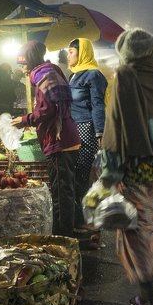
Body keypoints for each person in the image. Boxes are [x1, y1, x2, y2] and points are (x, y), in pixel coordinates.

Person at [97, 28, 153, 305]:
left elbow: (114, 128)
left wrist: (109, 172)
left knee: (133, 230)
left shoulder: (126, 78)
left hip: (137, 166)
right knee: (150, 223)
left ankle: (147, 296)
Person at [15, 40, 81, 237]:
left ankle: (64, 236)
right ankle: (70, 229)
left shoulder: (42, 75)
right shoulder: (50, 71)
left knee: (61, 191)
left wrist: (25, 119)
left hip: (59, 141)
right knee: (66, 188)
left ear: (32, 59)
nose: (23, 69)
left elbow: (46, 109)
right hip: (66, 137)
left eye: (24, 64)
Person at [67, 38, 108, 244]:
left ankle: (90, 224)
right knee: (78, 177)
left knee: (85, 176)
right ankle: (82, 220)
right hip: (74, 129)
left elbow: (98, 105)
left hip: (87, 129)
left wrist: (100, 133)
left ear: (82, 53)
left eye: (72, 52)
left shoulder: (93, 75)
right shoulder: (73, 76)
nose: (68, 56)